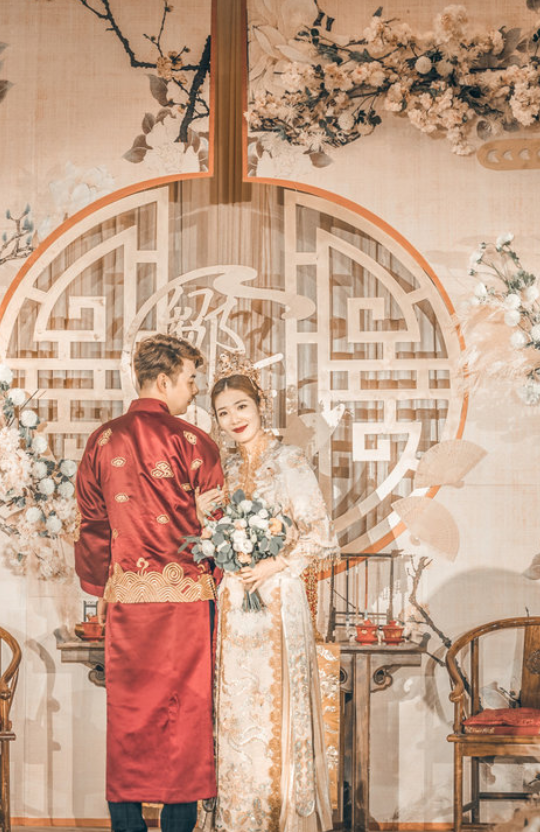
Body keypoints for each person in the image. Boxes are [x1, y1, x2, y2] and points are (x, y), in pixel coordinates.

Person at [73, 333, 225, 832]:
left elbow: (93, 525)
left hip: (129, 604)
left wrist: (100, 587)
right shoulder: (195, 443)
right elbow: (219, 532)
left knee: (130, 718)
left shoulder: (103, 440)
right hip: (186, 604)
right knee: (185, 718)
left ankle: (127, 825)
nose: (194, 391)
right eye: (190, 380)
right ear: (163, 380)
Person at [197, 362, 335, 832]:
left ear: (260, 406)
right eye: (223, 412)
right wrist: (202, 516)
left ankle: (280, 815)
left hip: (277, 595)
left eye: (241, 407)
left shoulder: (289, 460)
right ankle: (239, 817)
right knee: (237, 708)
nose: (234, 419)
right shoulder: (226, 467)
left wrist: (274, 565)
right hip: (235, 600)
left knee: (275, 703)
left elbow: (319, 534)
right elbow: (209, 533)